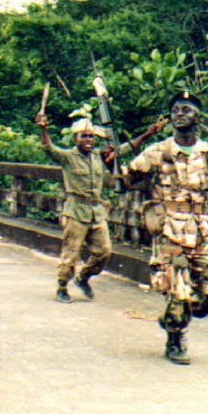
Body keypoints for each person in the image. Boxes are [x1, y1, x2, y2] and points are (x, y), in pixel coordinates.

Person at [127, 92, 208, 365]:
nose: (179, 113)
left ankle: (171, 320)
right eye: (175, 109)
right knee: (179, 288)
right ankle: (176, 339)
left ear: (197, 117)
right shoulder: (158, 151)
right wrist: (116, 167)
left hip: (201, 228)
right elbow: (129, 179)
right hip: (169, 228)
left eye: (186, 109)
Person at [36, 111, 165, 303]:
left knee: (104, 251)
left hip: (96, 211)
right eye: (84, 136)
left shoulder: (98, 156)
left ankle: (84, 277)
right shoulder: (67, 157)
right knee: (71, 253)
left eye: (91, 136)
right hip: (76, 211)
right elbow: (48, 147)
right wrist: (43, 128)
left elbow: (125, 149)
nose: (88, 140)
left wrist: (149, 133)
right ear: (75, 138)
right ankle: (62, 285)